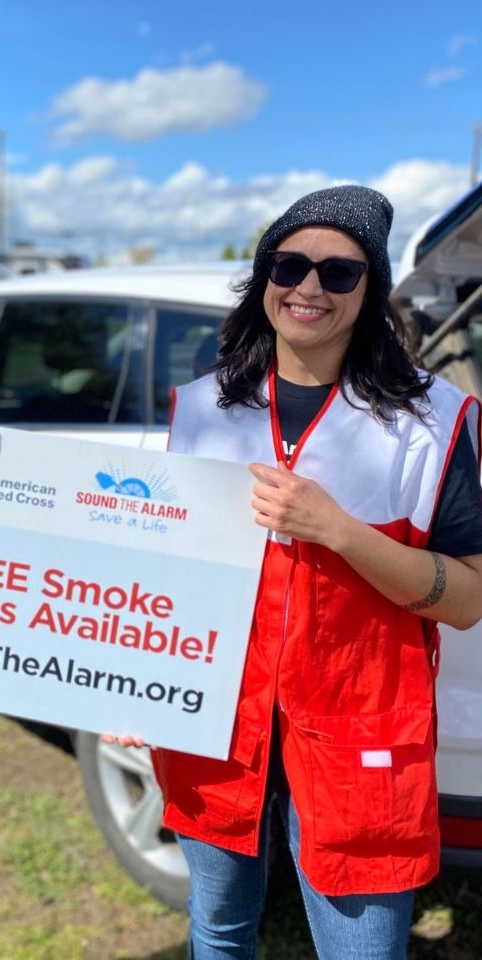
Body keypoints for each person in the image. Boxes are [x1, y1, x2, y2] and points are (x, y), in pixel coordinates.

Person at [110, 186, 482, 959]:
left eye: (340, 274)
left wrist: (340, 532)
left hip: (358, 739)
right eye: (291, 264)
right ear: (265, 279)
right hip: (214, 724)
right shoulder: (205, 407)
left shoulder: (432, 424)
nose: (310, 287)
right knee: (216, 929)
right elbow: (158, 566)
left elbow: (469, 600)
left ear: (371, 293)